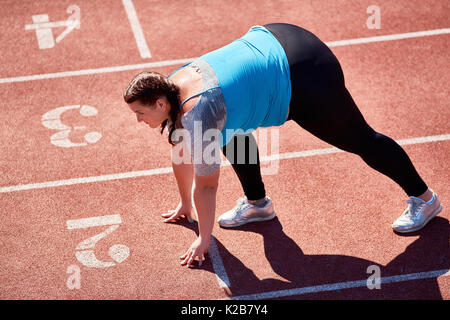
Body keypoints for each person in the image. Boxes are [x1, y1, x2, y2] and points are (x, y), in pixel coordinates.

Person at [123, 23, 442, 268]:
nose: (138, 121)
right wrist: (184, 205)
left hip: (304, 74)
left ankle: (424, 198)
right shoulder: (175, 83)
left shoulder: (198, 115)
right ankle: (258, 204)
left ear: (161, 102)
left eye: (140, 113)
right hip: (278, 36)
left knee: (359, 139)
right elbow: (180, 151)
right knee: (232, 131)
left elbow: (207, 186)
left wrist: (204, 240)